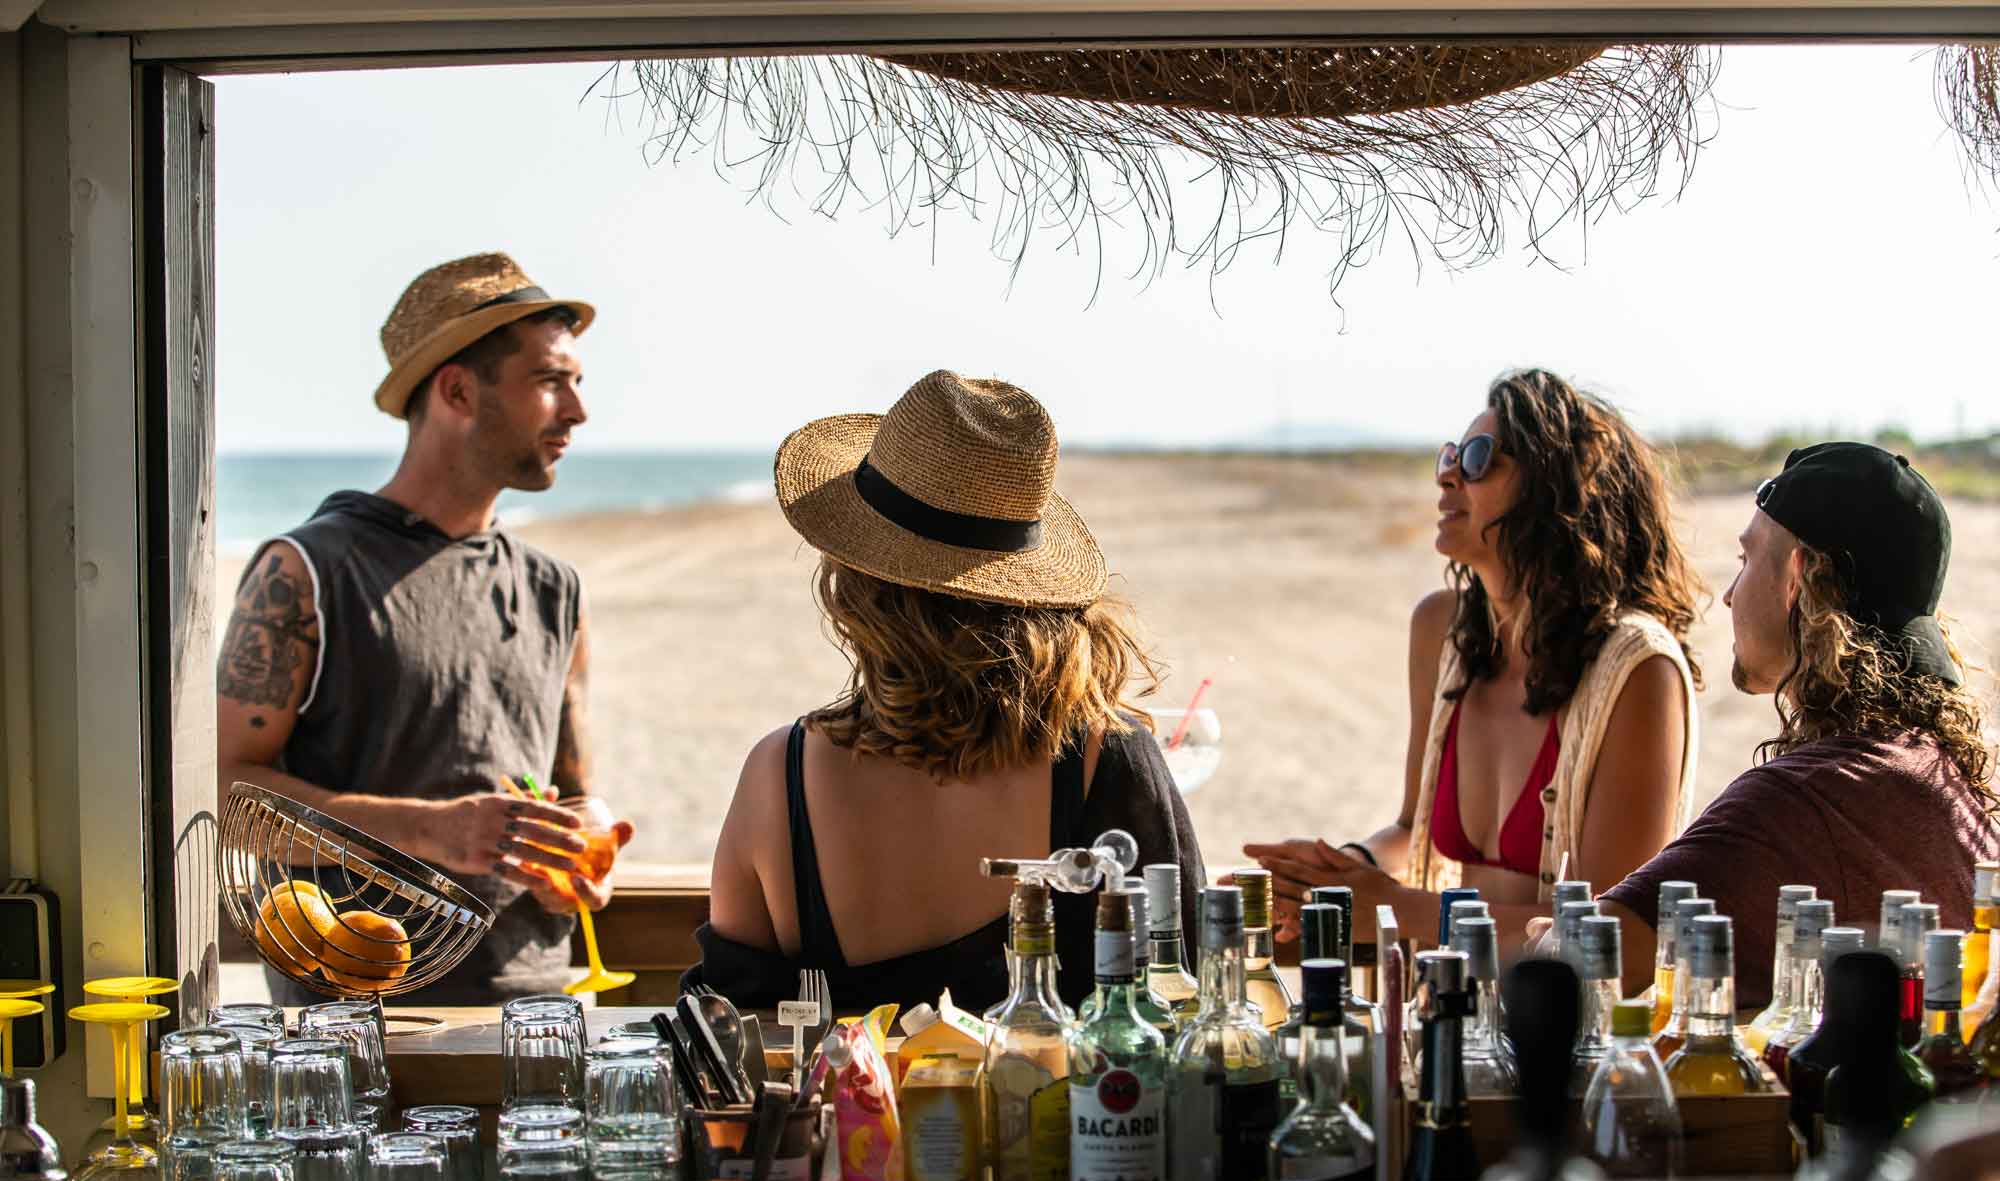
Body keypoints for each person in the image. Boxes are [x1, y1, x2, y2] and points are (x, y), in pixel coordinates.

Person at [685, 370, 1204, 1015]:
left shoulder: (778, 772)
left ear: (855, 583)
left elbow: (731, 1026)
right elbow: (1188, 1003)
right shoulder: (1110, 757)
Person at [217, 252, 628, 1005]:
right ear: (459, 390)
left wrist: (586, 839)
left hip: (537, 1012)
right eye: (549, 380)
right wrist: (428, 832)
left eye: (576, 382)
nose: (577, 410)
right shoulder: (305, 570)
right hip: (351, 1029)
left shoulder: (554, 589)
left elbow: (573, 790)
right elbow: (223, 792)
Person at [1242, 369, 1703, 949]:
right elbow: (1413, 833)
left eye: (1480, 457)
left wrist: (1400, 910)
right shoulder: (1443, 632)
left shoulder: (1638, 670)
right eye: (1450, 455)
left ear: (1558, 486)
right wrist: (1328, 877)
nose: (1449, 476)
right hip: (1446, 1013)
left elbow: (1616, 930)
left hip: (1567, 1029)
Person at [1596, 442, 2000, 1006]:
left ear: (1799, 577)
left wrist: (1549, 932)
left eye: (1745, 561)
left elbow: (1580, 964)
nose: (1731, 594)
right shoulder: (1935, 767)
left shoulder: (1801, 803)